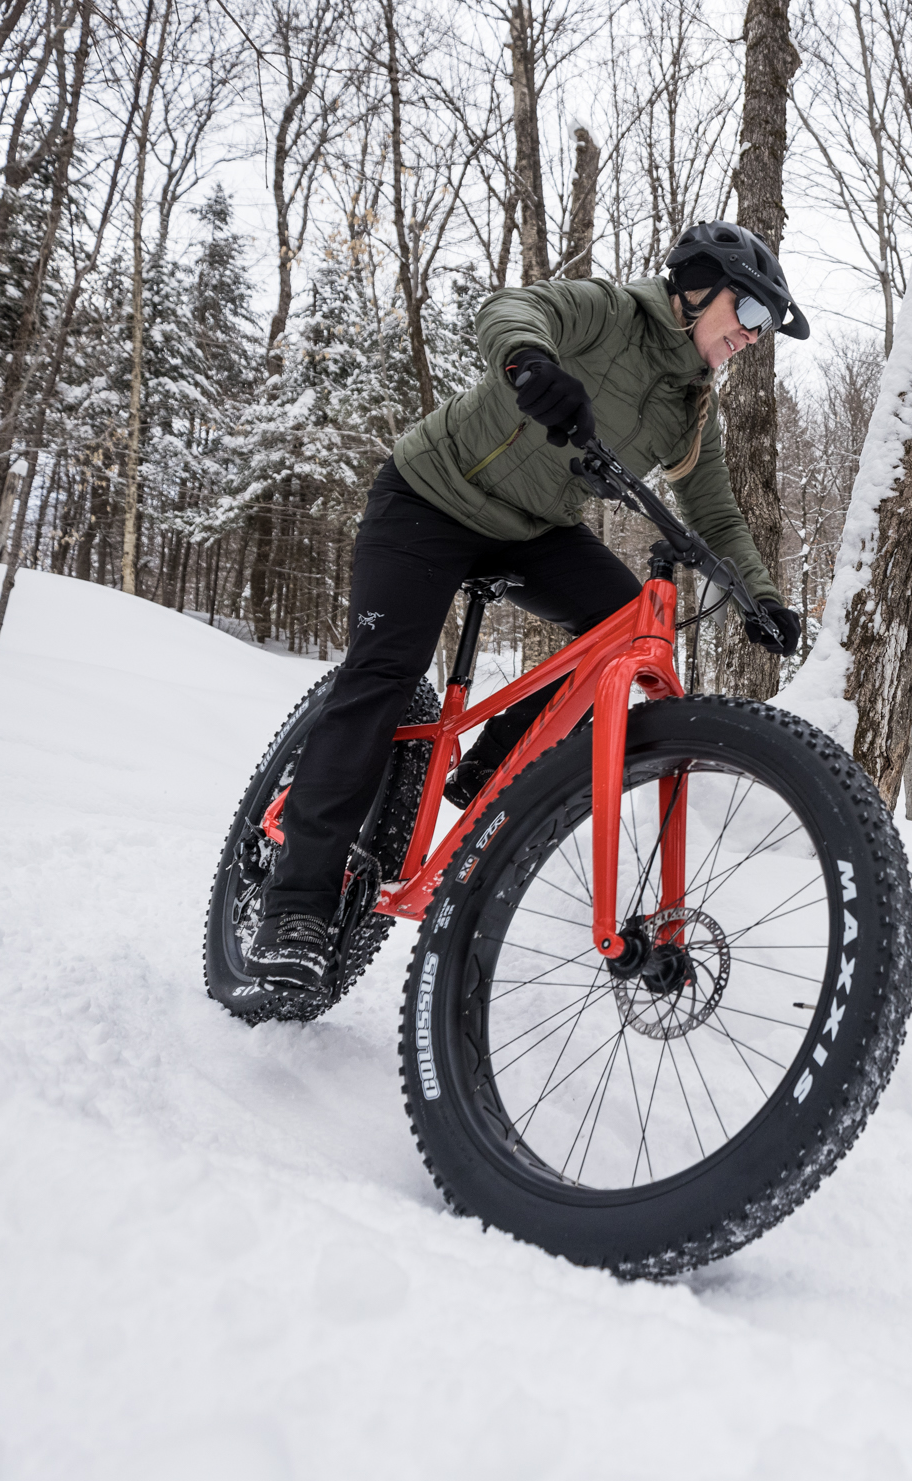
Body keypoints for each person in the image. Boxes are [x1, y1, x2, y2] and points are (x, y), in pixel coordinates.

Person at [248, 221, 808, 991]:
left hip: (530, 530)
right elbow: (512, 308)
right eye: (748, 316)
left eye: (764, 330)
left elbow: (715, 515)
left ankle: (492, 771)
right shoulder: (609, 311)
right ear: (696, 286)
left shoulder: (689, 408)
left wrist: (762, 595)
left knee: (624, 625)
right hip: (428, 500)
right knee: (383, 673)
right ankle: (295, 905)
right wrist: (530, 362)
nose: (752, 337)